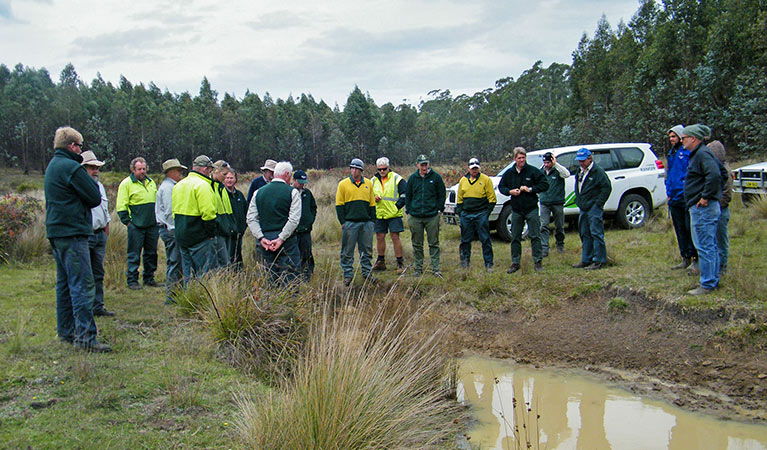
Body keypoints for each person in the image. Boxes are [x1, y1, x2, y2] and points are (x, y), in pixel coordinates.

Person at [44, 127, 111, 352]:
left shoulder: (53, 166)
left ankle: (66, 331)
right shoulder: (71, 167)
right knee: (82, 284)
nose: (81, 151)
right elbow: (94, 197)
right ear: (73, 146)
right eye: (80, 147)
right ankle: (86, 337)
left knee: (64, 284)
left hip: (57, 233)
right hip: (73, 234)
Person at [682, 124, 727, 295]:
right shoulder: (701, 154)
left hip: (703, 209)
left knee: (704, 245)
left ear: (693, 138)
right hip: (702, 207)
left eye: (684, 137)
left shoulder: (702, 154)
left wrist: (706, 196)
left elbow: (716, 175)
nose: (682, 140)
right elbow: (722, 173)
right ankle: (712, 278)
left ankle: (708, 283)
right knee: (709, 244)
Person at [247, 161, 301, 285]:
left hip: (265, 240)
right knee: (289, 277)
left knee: (268, 277)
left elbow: (251, 218)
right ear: (287, 174)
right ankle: (288, 303)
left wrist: (261, 238)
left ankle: (269, 302)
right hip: (287, 241)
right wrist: (281, 238)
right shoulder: (293, 192)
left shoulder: (258, 192)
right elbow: (294, 220)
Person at [498, 147, 549, 273]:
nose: (522, 160)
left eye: (523, 158)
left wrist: (530, 189)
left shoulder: (533, 171)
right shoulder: (509, 173)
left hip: (531, 209)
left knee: (535, 236)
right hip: (516, 210)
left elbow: (544, 184)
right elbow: (501, 187)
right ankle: (515, 263)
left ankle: (538, 262)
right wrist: (510, 192)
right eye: (519, 158)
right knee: (515, 237)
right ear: (515, 159)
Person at [172, 155, 218, 281]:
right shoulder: (203, 185)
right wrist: (211, 233)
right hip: (199, 237)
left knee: (187, 273)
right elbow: (208, 214)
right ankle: (201, 299)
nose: (210, 173)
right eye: (210, 170)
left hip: (182, 235)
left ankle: (189, 298)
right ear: (204, 169)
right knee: (203, 273)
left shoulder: (179, 185)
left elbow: (174, 211)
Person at [116, 157, 159, 289]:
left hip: (152, 225)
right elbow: (121, 206)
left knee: (151, 253)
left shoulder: (151, 182)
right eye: (139, 169)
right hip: (136, 226)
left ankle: (149, 278)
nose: (142, 172)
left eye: (144, 169)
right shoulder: (126, 184)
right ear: (133, 169)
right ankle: (132, 280)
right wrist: (128, 222)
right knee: (134, 254)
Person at [81, 151, 114, 317]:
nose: (95, 171)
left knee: (98, 273)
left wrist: (106, 227)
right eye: (92, 168)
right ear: (83, 168)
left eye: (97, 168)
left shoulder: (99, 186)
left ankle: (98, 307)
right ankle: (85, 309)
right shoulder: (79, 186)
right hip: (86, 235)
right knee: (85, 274)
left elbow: (104, 209)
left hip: (100, 234)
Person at [336, 158, 377, 286]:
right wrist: (343, 222)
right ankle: (348, 275)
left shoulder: (368, 184)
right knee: (347, 250)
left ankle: (367, 272)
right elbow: (339, 205)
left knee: (367, 249)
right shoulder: (343, 184)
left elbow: (372, 204)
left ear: (361, 170)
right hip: (350, 223)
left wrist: (372, 222)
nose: (354, 171)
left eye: (356, 169)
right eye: (352, 168)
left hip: (366, 223)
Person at [405, 154, 446, 278]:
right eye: (421, 164)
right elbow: (408, 195)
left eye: (426, 164)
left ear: (428, 164)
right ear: (417, 165)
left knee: (433, 243)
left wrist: (439, 209)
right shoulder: (412, 178)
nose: (424, 167)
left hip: (432, 216)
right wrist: (409, 210)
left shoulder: (436, 178)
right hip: (415, 216)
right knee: (417, 244)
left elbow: (442, 194)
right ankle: (418, 268)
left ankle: (436, 268)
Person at [572, 148, 612, 270]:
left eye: (583, 161)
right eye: (579, 161)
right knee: (584, 233)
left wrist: (598, 204)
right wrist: (578, 200)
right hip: (583, 207)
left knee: (596, 233)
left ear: (590, 159)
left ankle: (599, 260)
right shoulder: (580, 171)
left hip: (593, 208)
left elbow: (607, 188)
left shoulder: (597, 172)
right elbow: (579, 187)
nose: (581, 163)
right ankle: (586, 259)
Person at [665, 125, 697, 271]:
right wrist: (669, 191)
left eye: (674, 136)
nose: (671, 139)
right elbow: (670, 174)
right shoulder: (672, 153)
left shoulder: (687, 152)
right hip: (674, 197)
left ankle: (695, 258)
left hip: (686, 196)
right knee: (679, 229)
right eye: (670, 137)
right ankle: (685, 257)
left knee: (689, 227)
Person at [456, 157, 496, 272]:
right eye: (472, 168)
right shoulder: (463, 180)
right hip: (466, 214)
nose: (474, 170)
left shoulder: (486, 180)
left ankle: (489, 264)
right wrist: (461, 212)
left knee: (485, 239)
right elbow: (459, 199)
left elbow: (492, 199)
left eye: (476, 168)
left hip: (480, 214)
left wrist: (486, 214)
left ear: (479, 168)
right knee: (465, 240)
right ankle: (464, 263)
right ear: (468, 168)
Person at [156, 158, 187, 303]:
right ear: (171, 172)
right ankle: (172, 296)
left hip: (168, 229)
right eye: (178, 171)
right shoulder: (169, 188)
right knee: (175, 262)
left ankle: (175, 293)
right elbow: (169, 212)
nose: (181, 173)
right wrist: (175, 229)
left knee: (174, 261)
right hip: (170, 230)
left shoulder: (169, 186)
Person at [371, 157, 407, 274]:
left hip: (394, 214)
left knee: (395, 237)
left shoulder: (397, 178)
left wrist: (397, 206)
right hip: (379, 213)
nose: (382, 171)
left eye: (384, 169)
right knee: (379, 237)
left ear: (388, 167)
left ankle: (400, 263)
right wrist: (373, 199)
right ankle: (380, 261)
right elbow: (367, 195)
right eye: (379, 169)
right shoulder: (372, 180)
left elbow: (405, 194)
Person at [539, 152, 571, 256]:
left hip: (557, 202)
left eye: (548, 162)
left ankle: (560, 245)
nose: (546, 165)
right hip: (544, 202)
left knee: (559, 226)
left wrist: (556, 164)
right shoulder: (541, 172)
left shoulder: (558, 171)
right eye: (545, 162)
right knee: (544, 225)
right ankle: (544, 248)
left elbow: (567, 174)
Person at [708, 140, 732, 275]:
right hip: (714, 210)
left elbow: (727, 195)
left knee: (721, 240)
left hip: (721, 211)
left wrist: (715, 206)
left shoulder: (725, 171)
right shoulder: (713, 168)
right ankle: (715, 266)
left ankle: (722, 267)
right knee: (713, 241)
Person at [292, 170, 317, 281]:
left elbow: (313, 207)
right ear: (294, 180)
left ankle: (307, 275)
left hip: (306, 230)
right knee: (294, 254)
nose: (302, 184)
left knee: (307, 253)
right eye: (300, 182)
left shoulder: (307, 193)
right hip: (293, 231)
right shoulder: (289, 192)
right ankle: (294, 275)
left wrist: (310, 220)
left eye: (304, 182)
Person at [211, 161, 236, 268]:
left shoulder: (222, 188)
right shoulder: (210, 187)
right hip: (218, 231)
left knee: (227, 261)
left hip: (227, 229)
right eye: (224, 174)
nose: (226, 178)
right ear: (216, 171)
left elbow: (228, 209)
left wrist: (232, 225)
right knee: (222, 262)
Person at [224, 169, 248, 270]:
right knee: (228, 256)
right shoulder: (222, 194)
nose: (229, 180)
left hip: (239, 232)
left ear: (235, 179)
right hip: (228, 234)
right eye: (227, 178)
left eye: (231, 178)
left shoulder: (239, 195)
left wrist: (243, 227)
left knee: (238, 255)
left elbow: (245, 211)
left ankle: (239, 275)